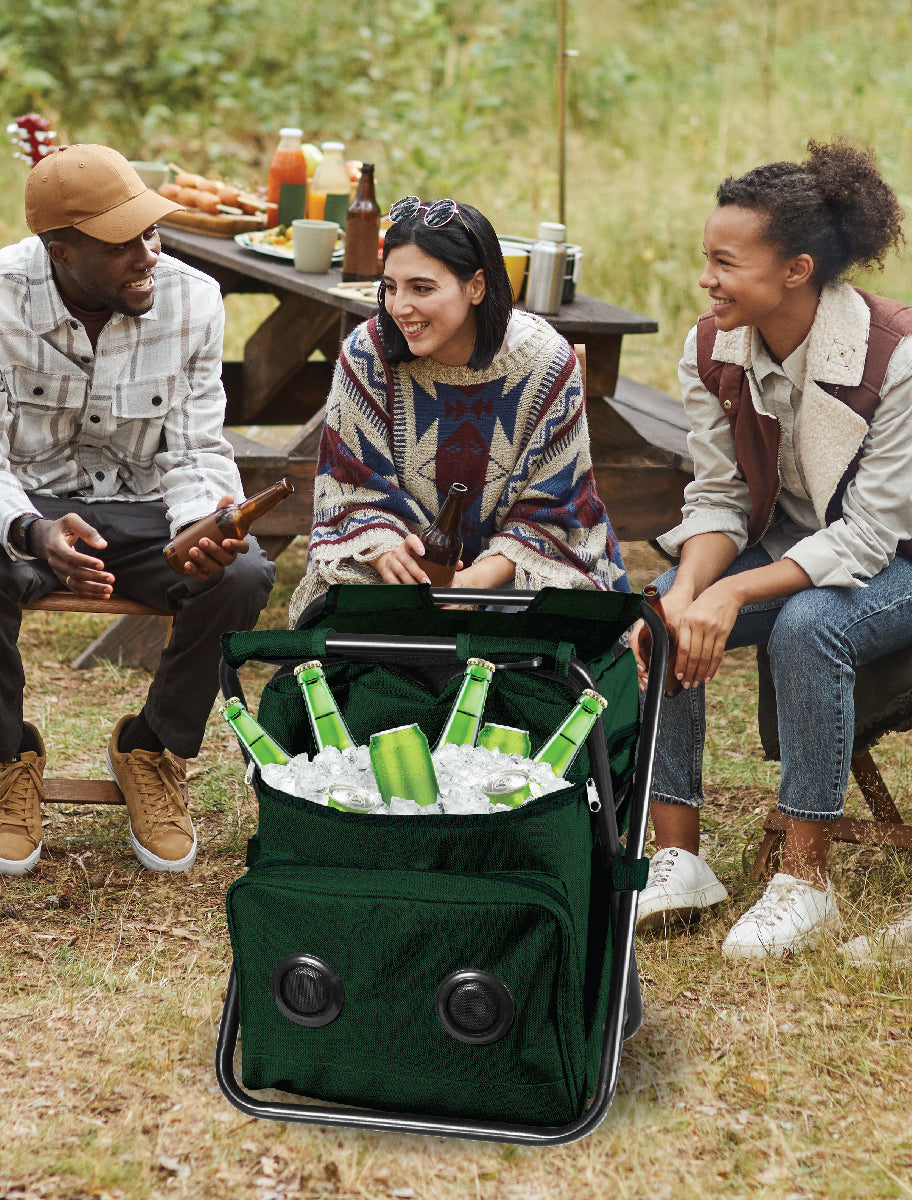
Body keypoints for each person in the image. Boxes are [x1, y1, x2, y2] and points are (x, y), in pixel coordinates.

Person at [0, 145, 275, 878]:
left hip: (146, 509)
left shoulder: (193, 299)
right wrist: (33, 531)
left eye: (151, 232)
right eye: (123, 244)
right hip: (27, 507)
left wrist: (198, 525)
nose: (149, 255)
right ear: (59, 250)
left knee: (243, 572)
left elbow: (195, 450)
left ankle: (152, 747)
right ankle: (9, 756)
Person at [631, 138, 912, 962]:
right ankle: (679, 858)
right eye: (706, 259)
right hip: (795, 549)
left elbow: (870, 534)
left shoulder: (894, 354)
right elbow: (719, 498)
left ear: (796, 270)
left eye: (726, 263)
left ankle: (805, 881)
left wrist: (733, 594)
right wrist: (690, 591)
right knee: (660, 612)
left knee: (809, 625)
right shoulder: (712, 348)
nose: (706, 280)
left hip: (896, 558)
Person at [289, 196, 629, 625]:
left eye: (422, 288)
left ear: (476, 286)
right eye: (390, 287)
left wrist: (471, 584)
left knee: (545, 625)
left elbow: (557, 510)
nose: (399, 307)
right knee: (350, 609)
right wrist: (384, 550)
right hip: (398, 571)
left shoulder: (546, 365)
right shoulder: (366, 355)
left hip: (519, 573)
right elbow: (350, 488)